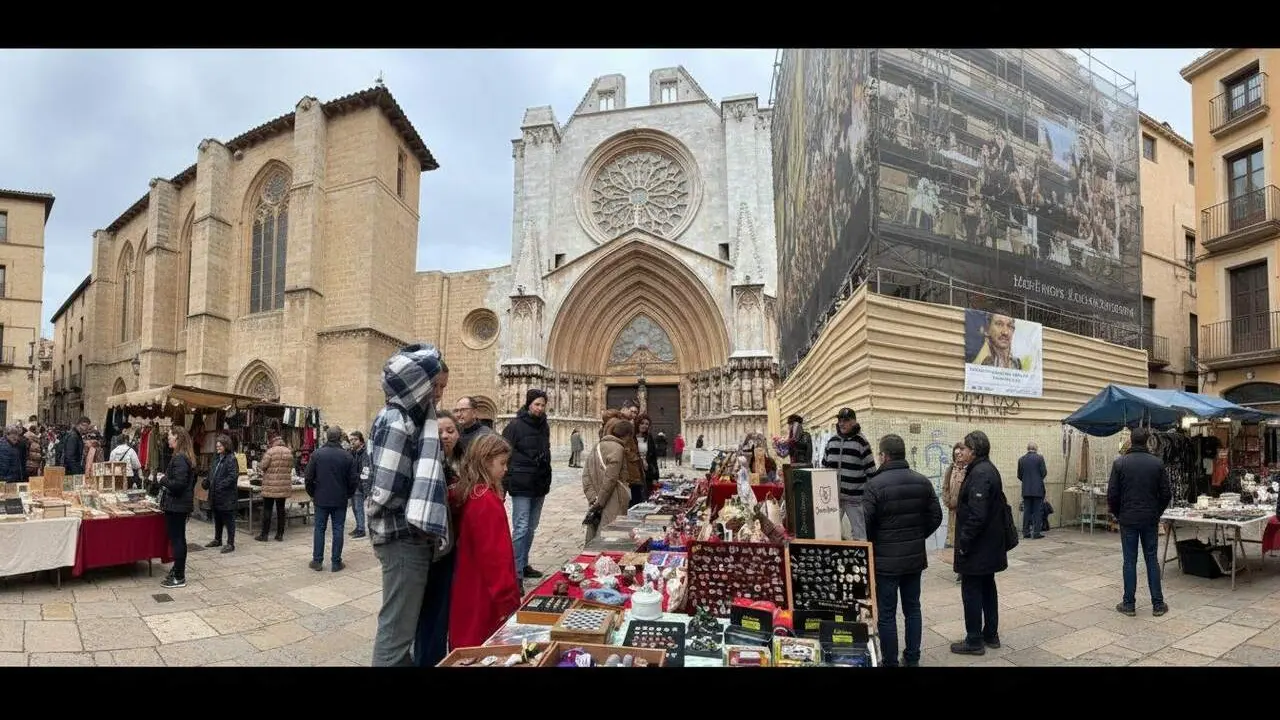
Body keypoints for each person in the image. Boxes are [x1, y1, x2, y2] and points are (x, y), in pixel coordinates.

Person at [368, 346, 452, 667]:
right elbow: (385, 492)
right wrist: (421, 500)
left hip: (407, 537)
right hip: (402, 538)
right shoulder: (398, 419)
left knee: (401, 629)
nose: (440, 396)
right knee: (396, 633)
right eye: (436, 387)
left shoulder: (409, 418)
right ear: (417, 383)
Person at [862, 433, 943, 668]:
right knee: (913, 608)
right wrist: (917, 537)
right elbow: (935, 517)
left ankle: (890, 661)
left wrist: (877, 543)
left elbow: (865, 524)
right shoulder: (922, 481)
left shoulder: (873, 485)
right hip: (913, 559)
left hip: (885, 563)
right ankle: (912, 657)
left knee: (887, 613)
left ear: (884, 456)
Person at [449, 433, 522, 649]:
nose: (506, 469)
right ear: (485, 461)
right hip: (485, 593)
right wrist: (507, 600)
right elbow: (494, 557)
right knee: (482, 643)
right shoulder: (485, 501)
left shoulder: (475, 493)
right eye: (502, 463)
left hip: (472, 583)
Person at [949, 430, 1009, 656]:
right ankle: (990, 634)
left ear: (973, 450)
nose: (960, 451)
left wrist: (964, 542)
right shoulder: (984, 469)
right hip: (988, 545)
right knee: (987, 588)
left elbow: (977, 514)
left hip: (978, 547)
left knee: (972, 591)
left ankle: (974, 640)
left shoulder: (980, 473)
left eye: (963, 448)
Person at [414, 410, 464, 667]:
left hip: (454, 546)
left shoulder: (461, 462)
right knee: (432, 611)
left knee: (444, 610)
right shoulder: (428, 464)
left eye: (450, 430)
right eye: (439, 431)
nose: (445, 436)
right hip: (434, 548)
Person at [1107, 426, 1172, 617]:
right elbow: (1166, 493)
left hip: (1128, 518)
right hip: (1150, 518)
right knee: (1151, 559)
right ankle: (1158, 604)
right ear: (1146, 441)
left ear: (1131, 441)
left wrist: (1119, 514)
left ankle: (1129, 604)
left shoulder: (1120, 463)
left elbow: (1112, 495)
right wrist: (1156, 512)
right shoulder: (1157, 463)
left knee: (1130, 561)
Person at [502, 388, 552, 585]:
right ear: (528, 404)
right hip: (521, 484)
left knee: (531, 527)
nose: (540, 408)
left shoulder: (544, 426)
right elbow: (502, 454)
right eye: (536, 404)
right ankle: (514, 575)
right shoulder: (514, 426)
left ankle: (523, 564)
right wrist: (504, 484)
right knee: (521, 527)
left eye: (542, 405)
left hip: (539, 483)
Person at [305, 425, 359, 573]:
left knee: (320, 529)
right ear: (340, 437)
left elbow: (308, 477)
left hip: (321, 498)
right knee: (338, 529)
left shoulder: (317, 454)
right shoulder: (347, 456)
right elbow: (354, 480)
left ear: (327, 437)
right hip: (339, 499)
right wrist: (348, 494)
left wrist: (313, 493)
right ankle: (336, 562)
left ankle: (317, 560)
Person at [822, 408, 876, 540]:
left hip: (855, 499)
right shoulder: (831, 442)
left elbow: (871, 472)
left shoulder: (861, 443)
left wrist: (869, 497)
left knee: (859, 535)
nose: (842, 423)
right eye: (840, 420)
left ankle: (862, 559)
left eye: (846, 420)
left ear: (854, 421)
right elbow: (823, 468)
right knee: (828, 534)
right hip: (832, 500)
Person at [582, 419, 633, 543]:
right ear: (628, 435)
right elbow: (611, 478)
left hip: (596, 499)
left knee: (594, 535)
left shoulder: (597, 446)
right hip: (613, 499)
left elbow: (586, 475)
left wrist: (593, 498)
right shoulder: (618, 448)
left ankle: (591, 559)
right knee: (610, 537)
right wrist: (600, 502)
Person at [159, 426, 197, 590]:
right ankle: (177, 570)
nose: (168, 438)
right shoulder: (183, 456)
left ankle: (179, 576)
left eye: (170, 436)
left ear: (177, 438)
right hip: (178, 505)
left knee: (178, 540)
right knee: (178, 539)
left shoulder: (180, 458)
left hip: (177, 505)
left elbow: (179, 485)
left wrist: (162, 479)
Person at [203, 435, 240, 554]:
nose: (217, 446)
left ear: (226, 445)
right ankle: (217, 539)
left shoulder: (231, 459)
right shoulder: (216, 458)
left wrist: (220, 485)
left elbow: (233, 476)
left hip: (226, 496)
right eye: (217, 444)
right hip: (215, 494)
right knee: (217, 517)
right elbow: (212, 473)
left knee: (229, 520)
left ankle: (230, 543)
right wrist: (207, 481)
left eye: (220, 444)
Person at [256, 435, 294, 542]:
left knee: (267, 509)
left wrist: (259, 465)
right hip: (283, 486)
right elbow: (291, 467)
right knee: (281, 510)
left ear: (273, 442)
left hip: (270, 485)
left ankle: (264, 535)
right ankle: (280, 534)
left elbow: (263, 466)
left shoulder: (270, 452)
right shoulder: (289, 452)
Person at [1017, 442, 1047, 539]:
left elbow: (1019, 475)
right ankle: (1036, 533)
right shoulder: (1040, 458)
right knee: (1037, 511)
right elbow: (1044, 472)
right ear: (1036, 448)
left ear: (1027, 448)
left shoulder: (1021, 459)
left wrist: (1026, 481)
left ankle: (1026, 532)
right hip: (1037, 489)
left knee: (1027, 511)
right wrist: (1037, 480)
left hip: (1026, 489)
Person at [349, 431, 372, 539]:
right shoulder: (353, 452)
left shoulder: (364, 453)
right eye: (351, 440)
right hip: (354, 484)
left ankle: (361, 529)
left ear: (361, 440)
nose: (352, 442)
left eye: (355, 439)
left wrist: (364, 486)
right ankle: (358, 526)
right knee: (354, 507)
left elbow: (365, 470)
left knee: (358, 507)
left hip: (359, 484)